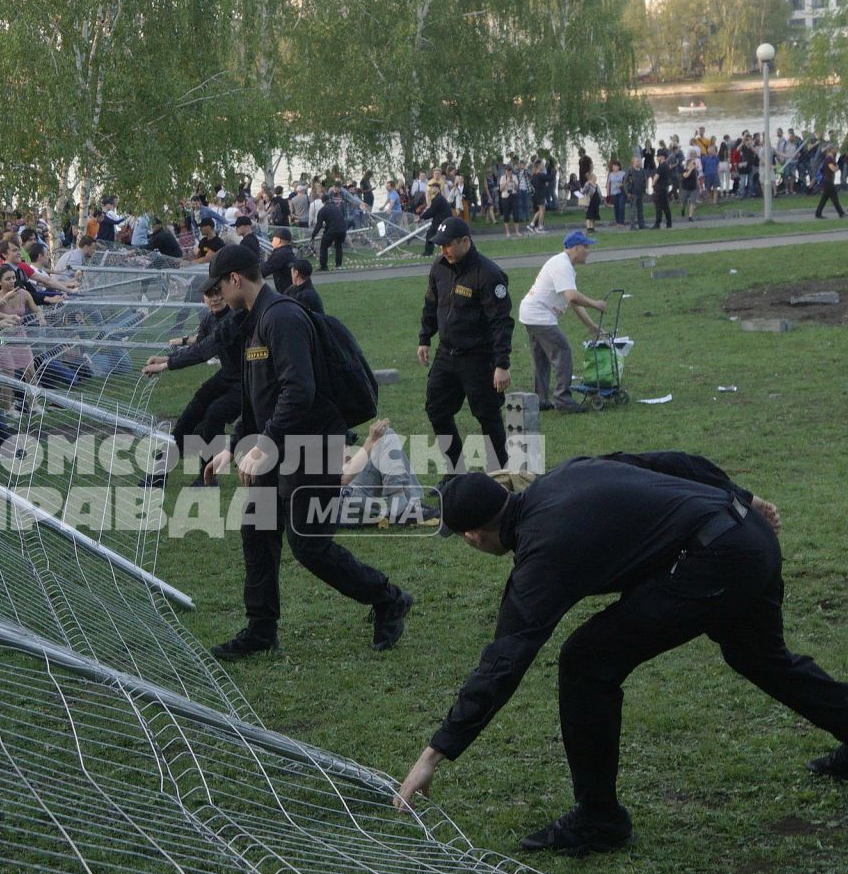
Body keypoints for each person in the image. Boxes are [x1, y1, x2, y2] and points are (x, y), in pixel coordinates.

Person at [390, 457, 848, 854]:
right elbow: (671, 459)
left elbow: (505, 659)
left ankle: (599, 819)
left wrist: (434, 754)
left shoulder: (541, 557)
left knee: (586, 662)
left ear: (473, 535)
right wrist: (741, 496)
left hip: (716, 560)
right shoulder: (566, 474)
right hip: (745, 540)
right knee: (759, 657)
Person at [199, 243, 412, 659]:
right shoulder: (254, 321)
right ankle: (261, 631)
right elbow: (261, 395)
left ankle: (389, 598)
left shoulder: (281, 318)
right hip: (277, 444)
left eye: (220, 286)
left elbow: (300, 391)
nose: (218, 295)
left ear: (236, 279)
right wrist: (234, 445)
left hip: (311, 443)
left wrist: (263, 444)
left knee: (309, 546)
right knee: (257, 531)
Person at [417, 217, 512, 472]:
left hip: (479, 358)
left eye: (448, 245)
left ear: (465, 242)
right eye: (440, 245)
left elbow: (501, 322)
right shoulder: (439, 267)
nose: (443, 250)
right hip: (446, 355)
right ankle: (456, 471)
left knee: (487, 416)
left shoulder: (488, 274)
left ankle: (499, 475)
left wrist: (502, 364)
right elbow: (431, 303)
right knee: (436, 409)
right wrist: (425, 337)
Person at [141, 283, 243, 484]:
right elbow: (201, 342)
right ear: (203, 298)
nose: (215, 298)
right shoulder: (209, 318)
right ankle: (159, 474)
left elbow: (205, 350)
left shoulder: (234, 318)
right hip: (226, 375)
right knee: (190, 413)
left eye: (218, 292)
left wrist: (166, 365)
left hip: (247, 380)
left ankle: (208, 477)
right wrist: (165, 358)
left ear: (226, 292)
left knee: (215, 414)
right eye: (209, 294)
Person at [518, 233, 605, 415]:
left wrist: (591, 326)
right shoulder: (562, 265)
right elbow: (573, 296)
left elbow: (572, 301)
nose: (588, 252)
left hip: (530, 314)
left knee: (541, 359)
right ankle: (563, 399)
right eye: (586, 247)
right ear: (575, 248)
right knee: (563, 351)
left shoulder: (563, 264)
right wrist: (595, 303)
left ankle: (540, 400)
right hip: (539, 316)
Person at [313, 189, 348, 270]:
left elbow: (318, 225)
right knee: (338, 246)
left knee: (324, 247)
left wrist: (313, 235)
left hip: (333, 230)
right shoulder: (336, 208)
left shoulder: (323, 210)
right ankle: (338, 265)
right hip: (342, 229)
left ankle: (324, 266)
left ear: (323, 202)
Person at [814, 152, 846, 219]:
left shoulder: (828, 159)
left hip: (827, 181)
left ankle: (818, 213)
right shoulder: (829, 159)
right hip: (827, 181)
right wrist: (837, 167)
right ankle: (841, 213)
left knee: (824, 198)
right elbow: (833, 169)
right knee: (834, 198)